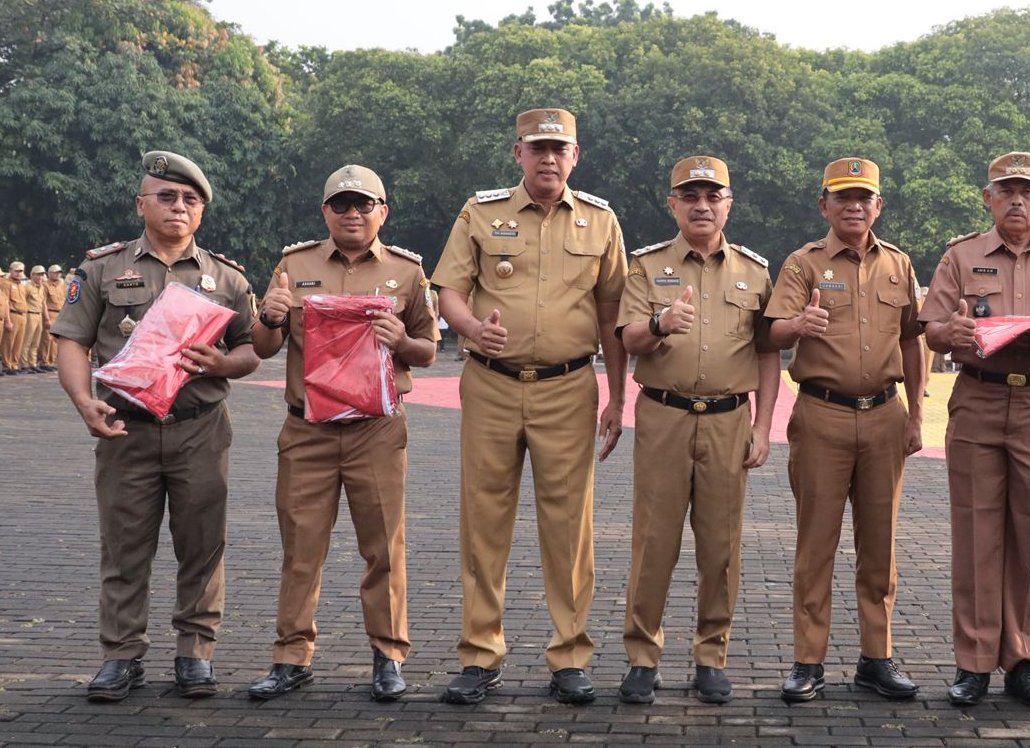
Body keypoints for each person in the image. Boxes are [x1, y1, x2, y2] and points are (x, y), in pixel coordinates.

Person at [430, 108, 628, 706]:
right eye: (536, 147)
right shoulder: (481, 211)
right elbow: (450, 292)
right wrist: (468, 329)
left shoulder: (600, 220)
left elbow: (612, 315)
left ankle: (569, 655)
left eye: (558, 149)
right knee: (483, 521)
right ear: (517, 153)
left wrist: (619, 397)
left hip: (569, 388)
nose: (547, 158)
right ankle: (479, 654)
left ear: (575, 156)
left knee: (570, 527)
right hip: (490, 383)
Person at [50, 151, 259, 702]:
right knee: (124, 544)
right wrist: (81, 400)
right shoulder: (101, 268)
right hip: (126, 426)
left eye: (191, 200)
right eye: (166, 196)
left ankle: (196, 652)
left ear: (202, 212)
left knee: (203, 543)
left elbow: (250, 351)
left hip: (200, 426)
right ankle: (120, 655)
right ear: (141, 203)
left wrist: (221, 364)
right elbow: (73, 339)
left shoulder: (227, 278)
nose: (179, 207)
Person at [244, 165, 439, 702]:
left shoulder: (406, 272)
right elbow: (263, 347)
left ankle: (388, 656)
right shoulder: (293, 265)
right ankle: (290, 656)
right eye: (341, 204)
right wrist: (271, 314)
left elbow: (427, 349)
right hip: (307, 429)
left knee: (383, 548)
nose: (353, 214)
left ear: (383, 211)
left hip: (375, 429)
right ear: (324, 211)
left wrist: (400, 338)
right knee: (301, 548)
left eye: (364, 204)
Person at [918, 152, 1030, 707]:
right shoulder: (960, 256)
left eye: (1028, 191)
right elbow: (931, 328)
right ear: (988, 198)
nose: (1017, 200)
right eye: (1006, 191)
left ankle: (1023, 661)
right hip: (977, 396)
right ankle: (973, 662)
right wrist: (949, 331)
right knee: (976, 534)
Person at [614, 155, 780, 705]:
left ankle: (712, 654)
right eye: (690, 196)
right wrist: (662, 323)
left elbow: (767, 353)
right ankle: (643, 655)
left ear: (729, 204)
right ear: (674, 204)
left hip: (729, 420)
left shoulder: (754, 271)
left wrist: (763, 425)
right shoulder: (646, 266)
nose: (702, 205)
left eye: (713, 196)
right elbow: (628, 338)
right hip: (664, 415)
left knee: (721, 545)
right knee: (654, 540)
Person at [764, 157, 925, 704]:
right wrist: (796, 326)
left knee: (880, 546)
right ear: (824, 205)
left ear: (878, 205)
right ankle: (808, 662)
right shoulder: (802, 264)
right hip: (822, 415)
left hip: (885, 415)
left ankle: (876, 659)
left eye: (864, 198)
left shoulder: (899, 265)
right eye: (843, 197)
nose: (854, 206)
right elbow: (771, 331)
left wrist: (918, 413)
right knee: (816, 544)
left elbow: (911, 339)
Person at [21, 264, 48, 372]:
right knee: (27, 341)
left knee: (35, 342)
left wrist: (45, 318)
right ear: (32, 275)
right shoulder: (27, 286)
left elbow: (43, 303)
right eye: (38, 274)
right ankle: (24, 364)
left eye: (42, 275)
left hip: (38, 315)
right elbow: (23, 301)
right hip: (30, 314)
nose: (40, 277)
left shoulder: (41, 287)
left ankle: (32, 364)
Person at [40, 264, 67, 372]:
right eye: (55, 272)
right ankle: (45, 361)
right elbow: (43, 303)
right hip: (50, 313)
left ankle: (52, 361)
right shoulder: (45, 285)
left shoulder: (62, 284)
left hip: (60, 314)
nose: (58, 274)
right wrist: (46, 318)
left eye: (59, 272)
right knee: (47, 339)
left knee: (56, 340)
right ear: (49, 273)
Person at [3, 260, 28, 374]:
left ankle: (14, 364)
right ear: (10, 271)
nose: (19, 273)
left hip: (22, 315)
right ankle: (7, 365)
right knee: (9, 341)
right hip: (12, 314)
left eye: (21, 271)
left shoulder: (22, 285)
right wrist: (7, 320)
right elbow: (6, 303)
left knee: (19, 342)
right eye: (16, 271)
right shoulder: (6, 284)